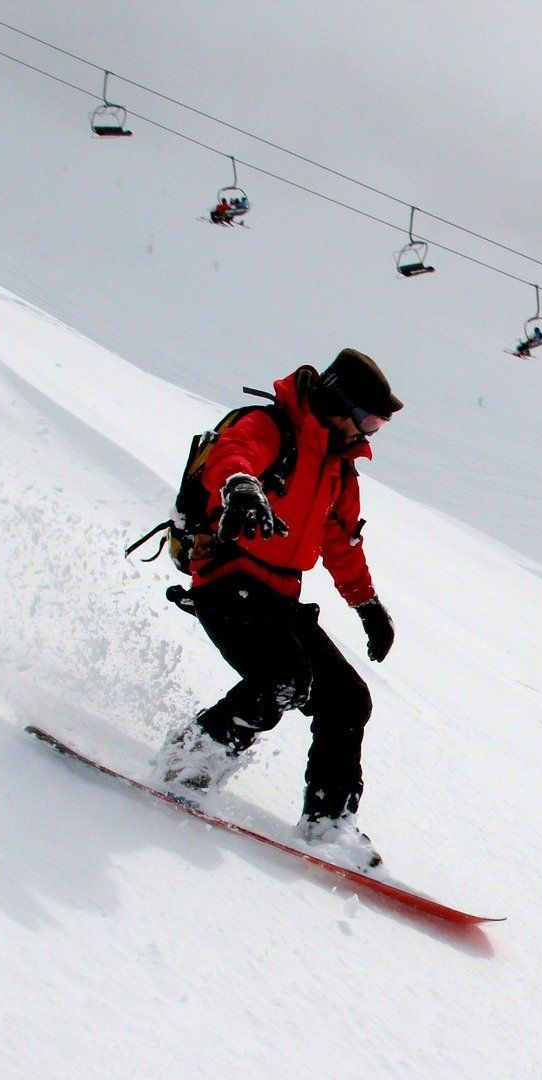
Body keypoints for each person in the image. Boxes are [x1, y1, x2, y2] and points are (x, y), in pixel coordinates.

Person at [155, 349, 402, 870]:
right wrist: (240, 487)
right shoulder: (271, 427)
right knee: (283, 678)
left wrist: (367, 605)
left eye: (378, 423)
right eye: (368, 418)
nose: (371, 432)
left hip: (280, 596)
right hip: (227, 578)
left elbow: (340, 541)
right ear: (337, 399)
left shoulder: (339, 466)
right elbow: (233, 456)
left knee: (347, 699)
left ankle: (327, 821)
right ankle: (189, 762)